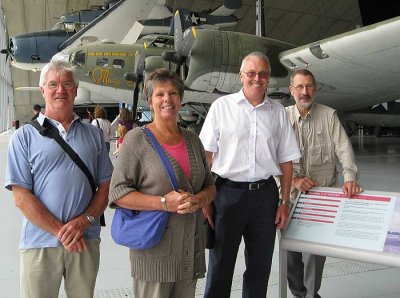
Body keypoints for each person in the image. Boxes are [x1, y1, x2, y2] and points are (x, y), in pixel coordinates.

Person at [5, 60, 113, 298]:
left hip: (85, 239)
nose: (60, 90)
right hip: (40, 243)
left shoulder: (94, 135)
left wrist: (84, 221)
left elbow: (106, 186)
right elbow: (21, 197)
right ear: (42, 90)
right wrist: (61, 232)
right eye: (52, 84)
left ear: (75, 89)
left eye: (66, 84)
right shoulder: (23, 137)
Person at [199, 51, 301, 298]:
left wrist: (284, 202)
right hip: (226, 195)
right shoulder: (221, 108)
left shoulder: (278, 113)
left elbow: (286, 162)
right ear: (241, 76)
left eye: (263, 74)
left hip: (265, 197)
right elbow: (206, 158)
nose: (257, 78)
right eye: (252, 73)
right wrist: (204, 199)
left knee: (259, 268)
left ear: (268, 78)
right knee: (220, 266)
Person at [108, 68, 216, 298]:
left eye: (173, 93)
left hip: (189, 253)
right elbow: (117, 193)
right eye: (160, 94)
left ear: (181, 99)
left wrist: (200, 200)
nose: (167, 99)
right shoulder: (136, 140)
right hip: (154, 257)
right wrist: (164, 202)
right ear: (150, 101)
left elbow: (210, 185)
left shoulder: (193, 139)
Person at [286, 68, 363, 298]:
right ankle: (299, 293)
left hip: (321, 202)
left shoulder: (329, 116)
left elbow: (344, 149)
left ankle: (310, 295)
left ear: (316, 89)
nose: (305, 91)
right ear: (291, 91)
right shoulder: (282, 117)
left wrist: (349, 178)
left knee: (315, 257)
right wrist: (295, 181)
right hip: (289, 199)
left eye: (309, 86)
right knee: (291, 256)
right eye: (299, 87)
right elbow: (271, 157)